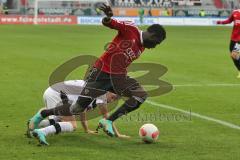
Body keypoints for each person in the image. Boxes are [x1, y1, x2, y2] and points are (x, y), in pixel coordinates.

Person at [29, 4, 166, 138]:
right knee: (76, 109)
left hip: (118, 77)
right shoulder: (131, 29)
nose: (155, 46)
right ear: (153, 35)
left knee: (140, 95)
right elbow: (110, 23)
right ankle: (43, 114)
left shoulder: (141, 47)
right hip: (100, 74)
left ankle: (108, 121)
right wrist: (108, 17)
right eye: (157, 42)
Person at [27, 80, 129, 145]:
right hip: (57, 94)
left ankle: (36, 124)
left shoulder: (96, 87)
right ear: (109, 90)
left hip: (52, 91)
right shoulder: (101, 93)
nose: (111, 100)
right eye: (113, 97)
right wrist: (118, 134)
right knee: (72, 125)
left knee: (59, 119)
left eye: (115, 99)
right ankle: (42, 131)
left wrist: (86, 129)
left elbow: (82, 110)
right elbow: (107, 117)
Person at [217, 9, 240, 78]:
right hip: (233, 38)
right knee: (232, 55)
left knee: (234, 54)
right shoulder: (235, 12)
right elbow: (229, 20)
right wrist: (220, 22)